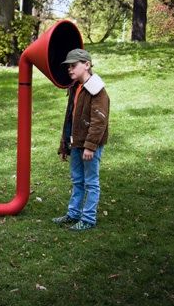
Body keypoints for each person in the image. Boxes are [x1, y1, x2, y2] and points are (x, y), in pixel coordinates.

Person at [53, 49, 110, 231]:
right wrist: (65, 145)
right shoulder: (75, 87)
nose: (70, 70)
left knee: (91, 182)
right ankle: (74, 214)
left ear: (87, 64)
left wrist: (91, 146)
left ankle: (88, 219)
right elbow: (70, 118)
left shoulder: (97, 89)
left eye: (74, 65)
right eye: (68, 66)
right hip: (76, 143)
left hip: (89, 146)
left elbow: (99, 120)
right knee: (77, 180)